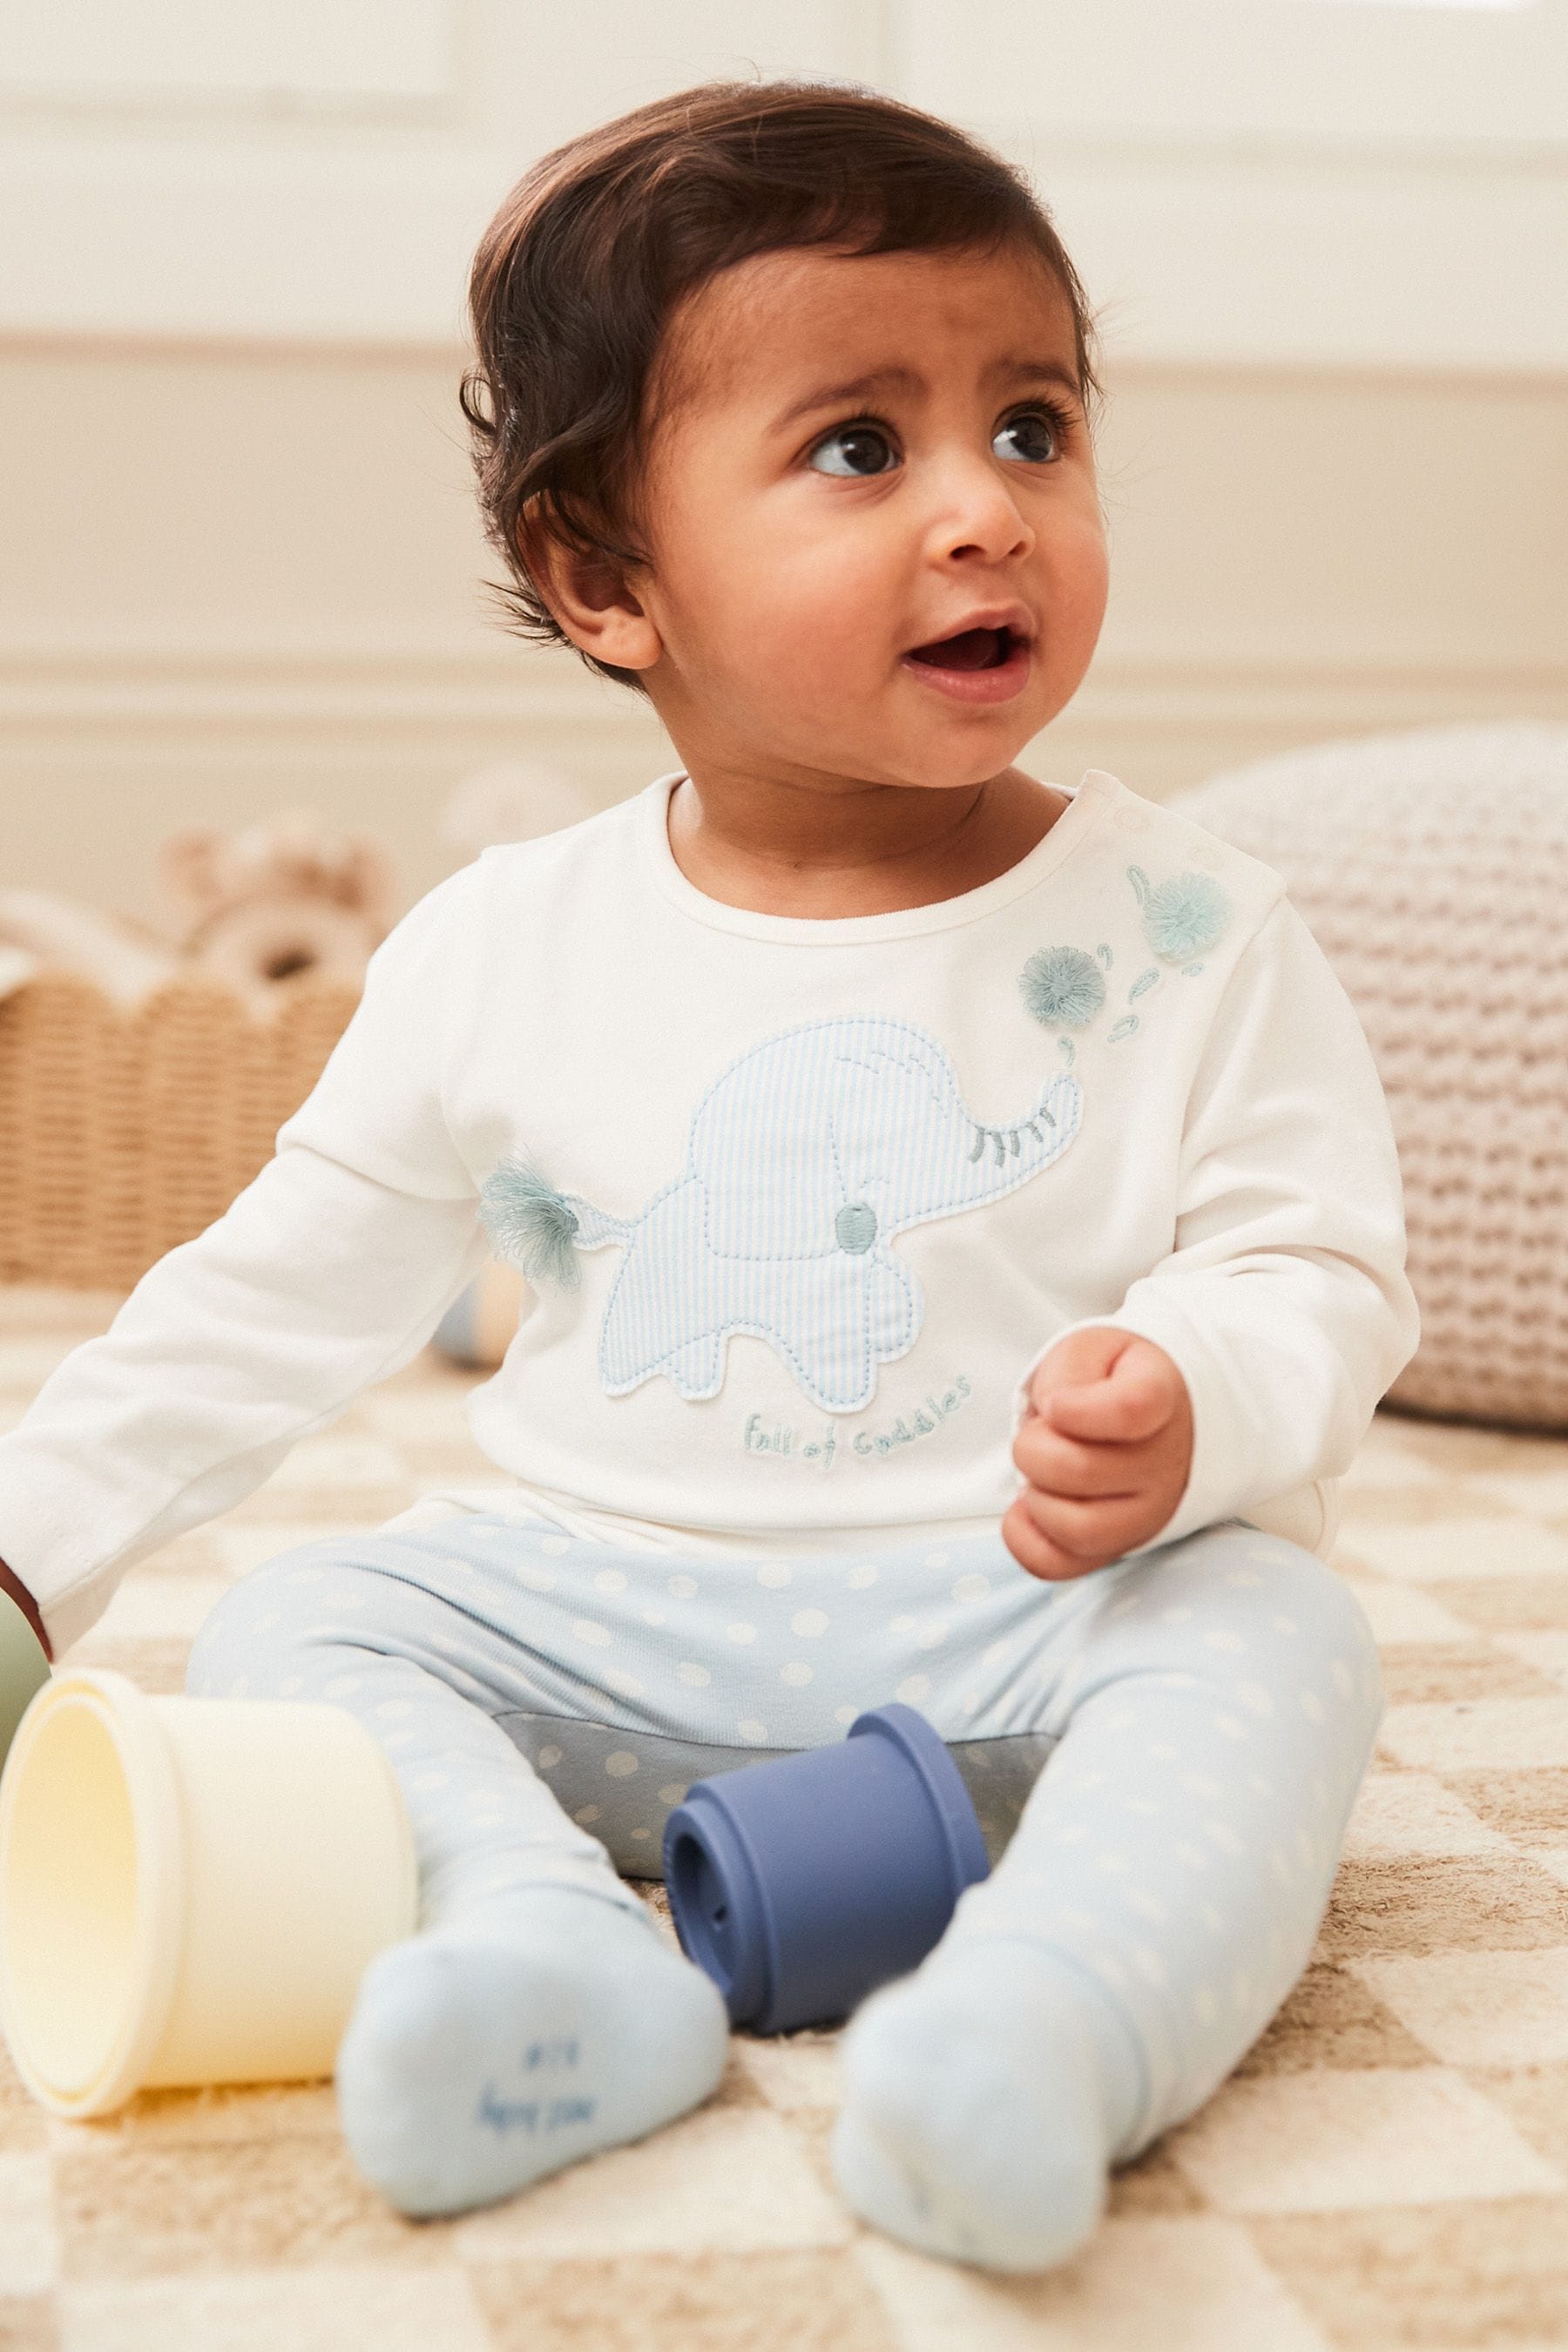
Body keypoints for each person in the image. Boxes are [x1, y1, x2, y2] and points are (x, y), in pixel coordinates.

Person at [0, 78, 1418, 2273]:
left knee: (1284, 1636)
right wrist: (29, 1556)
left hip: (1026, 1641)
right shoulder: (503, 945)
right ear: (602, 577)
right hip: (606, 1613)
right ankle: (546, 1947)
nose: (987, 511)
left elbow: (1318, 1262)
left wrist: (1197, 1392)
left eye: (1031, 425)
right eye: (863, 446)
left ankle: (1046, 2023)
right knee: (299, 1616)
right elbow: (269, 1297)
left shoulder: (1192, 926)